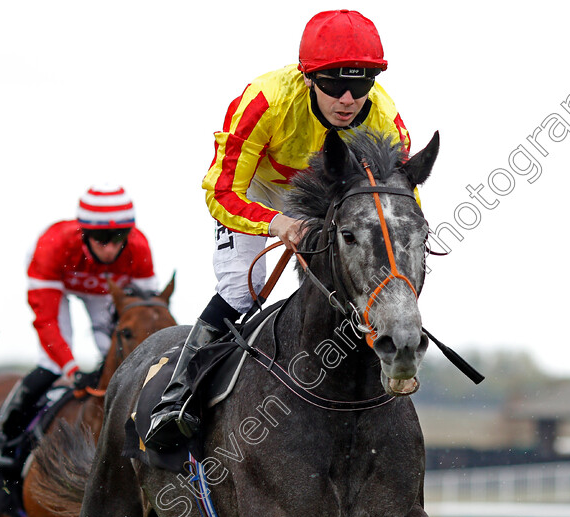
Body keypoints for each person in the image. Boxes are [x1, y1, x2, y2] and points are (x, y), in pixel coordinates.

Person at [145, 9, 412, 446]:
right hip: (256, 189)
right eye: (333, 84)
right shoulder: (264, 101)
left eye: (361, 83)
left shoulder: (382, 113)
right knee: (241, 290)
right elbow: (220, 191)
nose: (347, 99)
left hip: (330, 193)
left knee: (358, 280)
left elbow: (401, 199)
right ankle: (177, 399)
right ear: (308, 77)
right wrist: (276, 222)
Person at [0, 185, 159, 468]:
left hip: (102, 288)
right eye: (101, 237)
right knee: (52, 362)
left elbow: (147, 314)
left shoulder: (139, 247)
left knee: (121, 354)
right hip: (58, 278)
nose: (110, 247)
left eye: (119, 236)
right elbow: (47, 321)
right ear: (84, 232)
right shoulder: (53, 247)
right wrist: (71, 369)